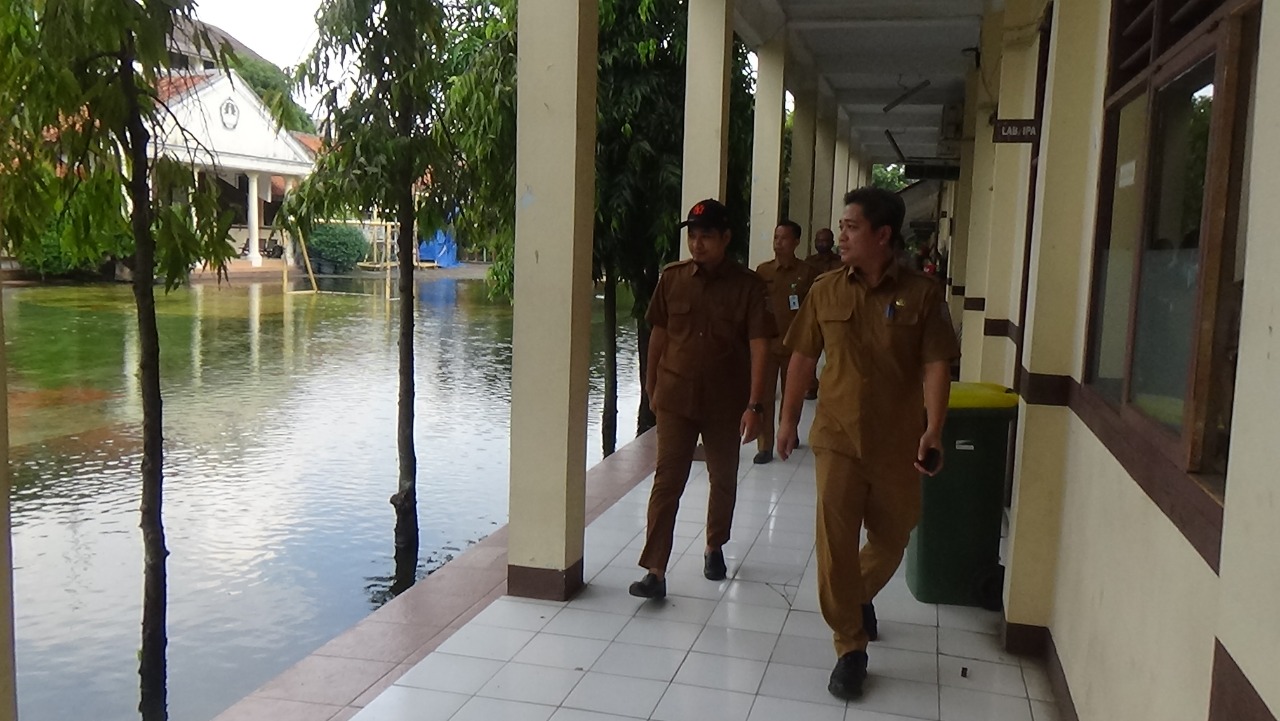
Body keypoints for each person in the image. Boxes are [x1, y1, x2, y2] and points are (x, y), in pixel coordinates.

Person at [777, 187, 960, 700]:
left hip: (897, 440)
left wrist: (934, 428)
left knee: (894, 534)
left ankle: (853, 599)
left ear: (883, 236)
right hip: (836, 436)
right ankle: (850, 647)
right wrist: (788, 419)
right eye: (842, 226)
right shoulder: (825, 290)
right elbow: (801, 359)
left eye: (852, 227)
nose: (841, 235)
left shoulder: (924, 296)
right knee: (834, 545)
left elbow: (935, 365)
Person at [629, 199, 776, 599]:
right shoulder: (672, 279)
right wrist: (650, 387)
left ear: (726, 238)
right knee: (667, 481)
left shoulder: (748, 286)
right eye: (692, 236)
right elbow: (658, 334)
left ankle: (714, 544)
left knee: (723, 478)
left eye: (706, 236)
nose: (697, 244)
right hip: (675, 395)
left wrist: (756, 404)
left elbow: (760, 344)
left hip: (725, 400)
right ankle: (655, 570)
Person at [752, 219, 818, 465]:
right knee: (764, 396)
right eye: (775, 238)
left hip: (795, 346)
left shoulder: (807, 273)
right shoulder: (763, 271)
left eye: (784, 238)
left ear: (796, 242)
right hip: (769, 344)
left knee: (793, 393)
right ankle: (765, 445)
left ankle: (789, 432)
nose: (778, 243)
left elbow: (813, 309)